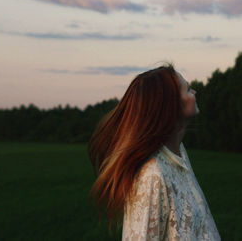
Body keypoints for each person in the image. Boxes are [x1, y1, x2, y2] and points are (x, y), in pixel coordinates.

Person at [88, 64, 221, 240]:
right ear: (170, 105)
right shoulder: (152, 174)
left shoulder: (180, 152)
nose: (194, 92)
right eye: (187, 90)